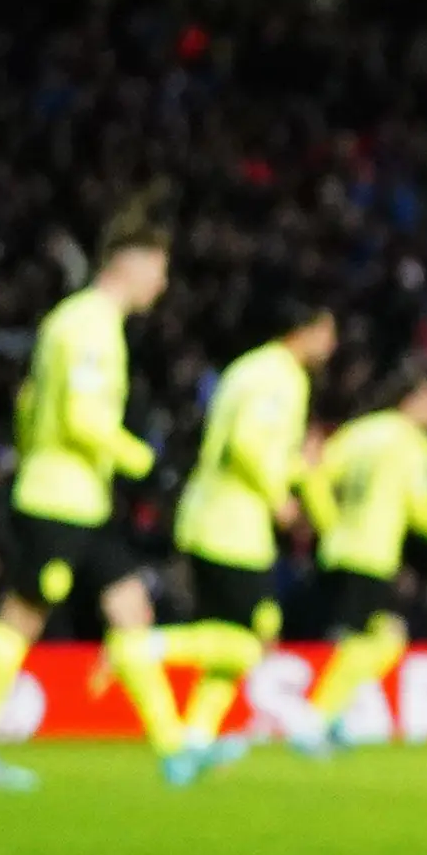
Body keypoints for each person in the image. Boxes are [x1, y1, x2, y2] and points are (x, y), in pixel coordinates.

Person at [0, 204, 203, 788]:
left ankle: (173, 748)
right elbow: (83, 418)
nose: (162, 284)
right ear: (130, 264)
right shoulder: (88, 326)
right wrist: (143, 459)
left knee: (129, 605)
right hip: (58, 498)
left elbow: (29, 406)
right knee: (24, 611)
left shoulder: (78, 322)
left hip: (82, 498)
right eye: (158, 269)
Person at [161, 301, 337, 756]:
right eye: (327, 332)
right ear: (307, 330)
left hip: (225, 522)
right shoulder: (277, 376)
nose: (332, 346)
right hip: (229, 525)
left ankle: (195, 739)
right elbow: (246, 443)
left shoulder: (252, 370)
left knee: (245, 631)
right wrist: (279, 497)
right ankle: (138, 649)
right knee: (244, 639)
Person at [292, 370, 427, 750]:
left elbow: (312, 472)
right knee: (369, 641)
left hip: (338, 550)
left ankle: (333, 716)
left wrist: (329, 524)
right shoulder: (412, 444)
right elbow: (419, 507)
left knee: (379, 636)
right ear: (413, 398)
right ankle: (316, 718)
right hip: (372, 555)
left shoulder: (362, 432)